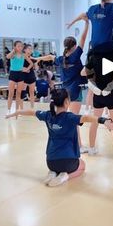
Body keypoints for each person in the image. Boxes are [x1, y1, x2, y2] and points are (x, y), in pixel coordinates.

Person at [5, 89, 113, 187]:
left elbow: (31, 112)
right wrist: (104, 121)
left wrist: (16, 112)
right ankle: (65, 176)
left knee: (57, 166)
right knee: (82, 166)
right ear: (66, 102)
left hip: (50, 162)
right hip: (68, 161)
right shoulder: (70, 117)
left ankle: (53, 173)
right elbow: (87, 117)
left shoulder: (47, 115)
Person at [36, 20, 89, 154]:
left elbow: (50, 57)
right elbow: (83, 38)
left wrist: (39, 58)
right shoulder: (75, 56)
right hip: (75, 90)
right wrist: (87, 24)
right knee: (74, 120)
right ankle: (79, 146)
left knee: (67, 118)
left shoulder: (61, 58)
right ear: (74, 46)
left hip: (65, 91)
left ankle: (74, 143)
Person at [83, 43, 113, 160]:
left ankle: (92, 148)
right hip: (107, 93)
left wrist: (110, 80)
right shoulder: (103, 51)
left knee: (96, 121)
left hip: (103, 92)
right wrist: (92, 82)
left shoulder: (98, 51)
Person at [6, 41, 33, 113]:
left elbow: (31, 63)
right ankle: (8, 110)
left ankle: (17, 110)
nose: (20, 47)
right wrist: (13, 50)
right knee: (11, 93)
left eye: (21, 46)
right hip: (13, 74)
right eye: (18, 46)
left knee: (18, 93)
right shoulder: (13, 54)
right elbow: (7, 57)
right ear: (15, 47)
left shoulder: (24, 55)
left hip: (20, 74)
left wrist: (26, 69)